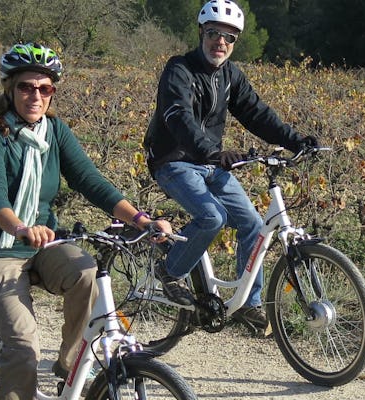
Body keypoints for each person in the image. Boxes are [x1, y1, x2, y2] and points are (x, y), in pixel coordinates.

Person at [0, 42, 172, 400]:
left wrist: (140, 219)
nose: (36, 96)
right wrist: (22, 228)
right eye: (27, 87)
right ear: (10, 89)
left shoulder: (54, 132)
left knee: (86, 273)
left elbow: (90, 181)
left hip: (44, 243)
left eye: (45, 89)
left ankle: (71, 367)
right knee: (23, 347)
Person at [142, 0, 317, 335]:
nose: (220, 42)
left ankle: (248, 304)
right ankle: (170, 270)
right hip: (173, 162)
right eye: (213, 33)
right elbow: (177, 116)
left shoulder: (231, 76)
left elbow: (256, 114)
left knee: (252, 223)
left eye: (229, 37)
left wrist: (296, 141)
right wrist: (211, 150)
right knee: (212, 217)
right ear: (201, 33)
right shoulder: (178, 69)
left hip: (210, 164)